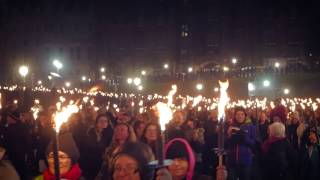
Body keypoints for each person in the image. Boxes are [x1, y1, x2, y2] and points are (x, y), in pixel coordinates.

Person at [226, 107, 256, 180]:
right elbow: (226, 143)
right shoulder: (230, 126)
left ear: (245, 116)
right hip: (232, 161)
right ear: (235, 116)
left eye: (242, 114)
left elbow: (254, 143)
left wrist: (244, 137)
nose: (240, 116)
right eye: (238, 114)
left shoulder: (251, 127)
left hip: (245, 161)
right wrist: (229, 136)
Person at [80, 114, 113, 180]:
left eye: (105, 121)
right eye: (101, 121)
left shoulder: (108, 133)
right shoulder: (90, 132)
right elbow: (85, 148)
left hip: (99, 161)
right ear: (97, 122)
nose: (103, 123)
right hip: (88, 161)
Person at [3, 110, 32, 180]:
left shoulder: (10, 129)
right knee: (22, 171)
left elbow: (6, 143)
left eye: (8, 117)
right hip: (21, 154)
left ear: (12, 118)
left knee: (17, 172)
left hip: (14, 155)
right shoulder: (23, 126)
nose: (7, 118)